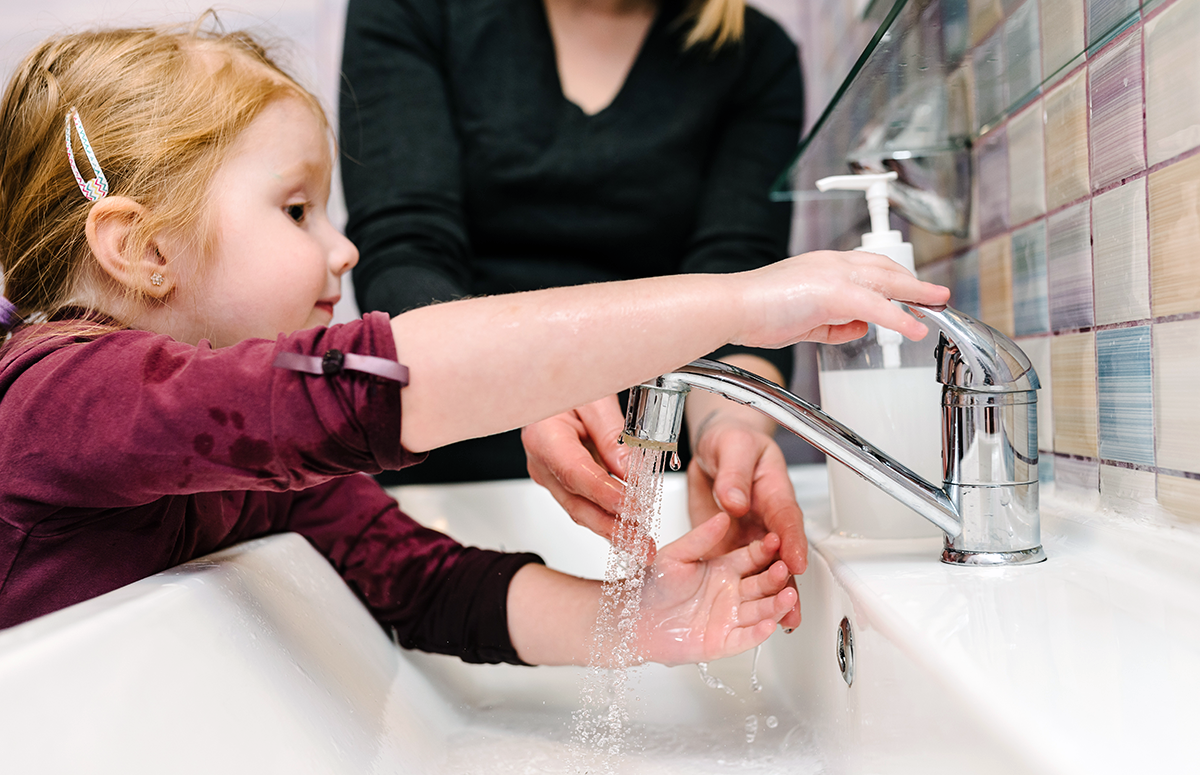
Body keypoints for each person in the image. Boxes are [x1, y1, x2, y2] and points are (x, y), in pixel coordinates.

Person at [0, 24, 948, 671]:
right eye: (295, 209)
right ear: (143, 249)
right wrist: (739, 302)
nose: (343, 248)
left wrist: (635, 618)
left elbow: (408, 581)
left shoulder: (236, 457)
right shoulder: (55, 400)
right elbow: (378, 379)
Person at [339, 0, 813, 613]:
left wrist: (732, 426)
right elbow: (405, 255)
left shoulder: (753, 55)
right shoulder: (413, 11)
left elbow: (738, 289)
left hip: (653, 483)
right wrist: (533, 383)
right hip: (452, 475)